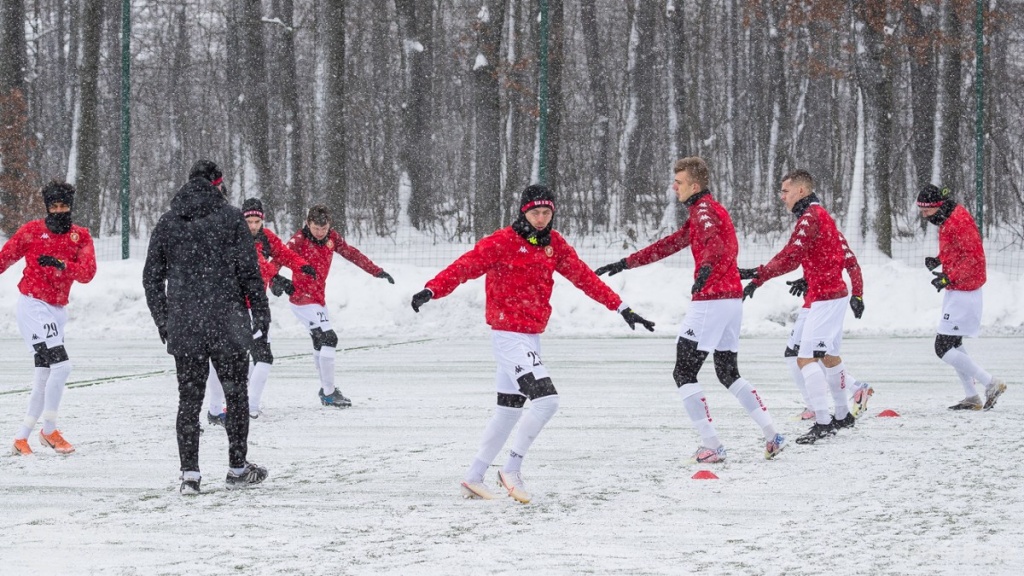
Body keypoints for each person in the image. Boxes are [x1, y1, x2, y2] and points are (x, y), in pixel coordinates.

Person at [412, 184, 655, 504]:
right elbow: (464, 267)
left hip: (531, 337)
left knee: (508, 412)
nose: (541, 218)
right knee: (547, 401)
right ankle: (511, 469)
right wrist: (432, 289)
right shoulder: (502, 242)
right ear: (523, 212)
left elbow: (584, 277)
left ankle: (473, 476)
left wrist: (621, 307)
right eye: (535, 212)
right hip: (507, 336)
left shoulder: (554, 244)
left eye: (546, 212)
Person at [594, 157, 785, 463]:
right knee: (727, 372)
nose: (675, 187)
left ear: (694, 186)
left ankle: (712, 445)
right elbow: (670, 244)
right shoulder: (706, 211)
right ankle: (772, 434)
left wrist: (706, 270)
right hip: (730, 300)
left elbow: (712, 244)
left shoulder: (705, 212)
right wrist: (626, 262)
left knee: (683, 371)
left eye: (679, 182)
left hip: (711, 301)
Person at [143, 159, 269, 494]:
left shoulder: (169, 221)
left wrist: (163, 319)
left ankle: (190, 474)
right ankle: (237, 467)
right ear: (218, 185)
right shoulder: (230, 218)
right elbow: (249, 272)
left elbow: (151, 278)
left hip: (185, 324)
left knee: (189, 399)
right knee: (235, 395)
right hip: (226, 322)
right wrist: (261, 314)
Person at [739, 169, 853, 445]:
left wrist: (759, 274)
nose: (782, 197)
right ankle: (843, 414)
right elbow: (830, 253)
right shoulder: (819, 215)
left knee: (804, 359)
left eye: (785, 191)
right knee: (826, 356)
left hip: (825, 298)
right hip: (828, 294)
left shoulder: (810, 217)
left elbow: (791, 256)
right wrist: (808, 276)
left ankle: (824, 423)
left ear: (801, 191)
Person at [2, 181, 96, 456]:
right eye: (53, 207)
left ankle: (22, 437)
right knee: (63, 367)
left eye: (63, 206)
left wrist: (62, 265)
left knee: (44, 373)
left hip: (57, 309)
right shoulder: (32, 231)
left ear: (70, 206)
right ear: (46, 207)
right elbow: (4, 258)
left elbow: (87, 273)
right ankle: (49, 430)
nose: (58, 211)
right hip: (33, 305)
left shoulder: (80, 236)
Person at [204, 198, 317, 424]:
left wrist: (301, 265)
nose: (253, 225)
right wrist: (277, 278)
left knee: (263, 356)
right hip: (234, 307)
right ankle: (216, 409)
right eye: (249, 220)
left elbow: (283, 253)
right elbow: (255, 265)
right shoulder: (235, 238)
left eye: (257, 221)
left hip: (256, 305)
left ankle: (250, 407)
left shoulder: (266, 237)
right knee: (224, 360)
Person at [281, 204, 394, 408]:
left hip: (317, 300)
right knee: (329, 338)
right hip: (301, 299)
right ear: (308, 224)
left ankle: (326, 389)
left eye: (323, 229)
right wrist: (275, 281)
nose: (320, 233)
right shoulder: (299, 240)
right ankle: (329, 392)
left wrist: (376, 271)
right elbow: (278, 256)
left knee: (319, 341)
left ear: (329, 225)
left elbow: (352, 254)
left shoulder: (332, 238)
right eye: (316, 228)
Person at [916, 184, 1006, 410]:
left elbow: (973, 257)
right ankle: (972, 397)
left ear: (938, 206)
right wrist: (939, 260)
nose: (924, 216)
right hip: (959, 287)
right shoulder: (949, 217)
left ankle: (990, 382)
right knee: (953, 343)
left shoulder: (958, 221)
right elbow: (958, 249)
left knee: (942, 347)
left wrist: (949, 277)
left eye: (927, 211)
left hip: (965, 290)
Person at [781, 230, 873, 421]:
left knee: (796, 354)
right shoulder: (822, 232)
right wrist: (806, 280)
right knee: (823, 355)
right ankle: (855, 391)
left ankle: (816, 408)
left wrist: (858, 294)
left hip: (819, 302)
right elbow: (834, 266)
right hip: (821, 299)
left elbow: (850, 265)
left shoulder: (818, 232)